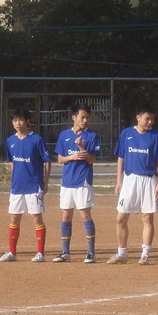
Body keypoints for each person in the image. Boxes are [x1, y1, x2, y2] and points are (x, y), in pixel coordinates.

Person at [110, 104, 158, 265]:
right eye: (147, 119)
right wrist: (119, 180)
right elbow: (121, 157)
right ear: (138, 117)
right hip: (129, 180)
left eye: (152, 119)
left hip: (149, 180)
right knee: (121, 218)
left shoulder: (156, 135)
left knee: (147, 218)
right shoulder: (126, 133)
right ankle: (122, 253)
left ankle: (145, 254)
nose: (150, 122)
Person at [1, 108, 51, 263]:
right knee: (14, 218)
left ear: (27, 121)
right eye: (15, 120)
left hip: (33, 186)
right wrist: (14, 177)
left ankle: (40, 253)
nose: (18, 123)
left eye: (21, 120)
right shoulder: (10, 141)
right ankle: (12, 252)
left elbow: (47, 161)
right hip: (17, 187)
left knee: (36, 218)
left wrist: (45, 182)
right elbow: (11, 162)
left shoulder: (36, 140)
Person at [54, 105, 101, 263]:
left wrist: (81, 148)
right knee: (66, 214)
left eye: (87, 117)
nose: (85, 120)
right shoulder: (64, 135)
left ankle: (91, 253)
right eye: (82, 117)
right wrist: (72, 157)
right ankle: (65, 252)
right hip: (67, 181)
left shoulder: (92, 136)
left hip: (83, 180)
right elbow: (60, 159)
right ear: (74, 118)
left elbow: (92, 160)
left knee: (85, 214)